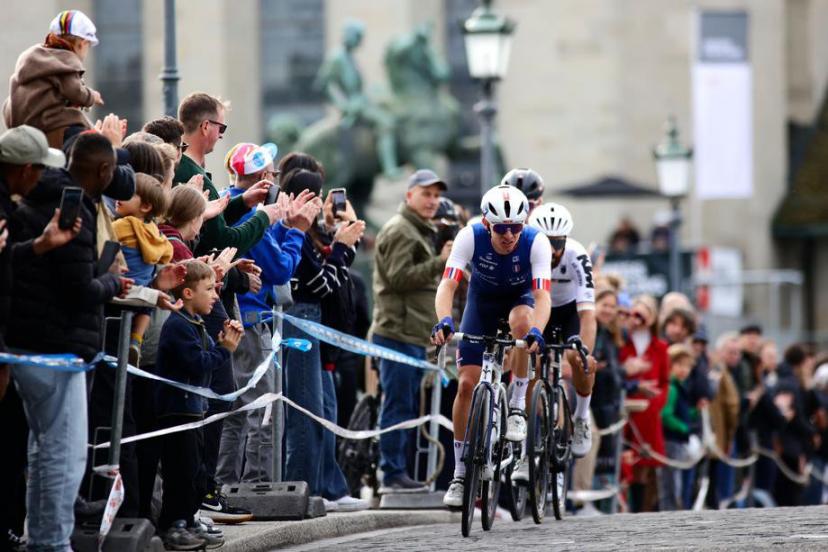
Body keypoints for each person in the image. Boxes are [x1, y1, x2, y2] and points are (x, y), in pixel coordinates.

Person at [8, 131, 130, 551]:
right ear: (105, 170)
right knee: (63, 457)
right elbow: (79, 288)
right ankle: (52, 543)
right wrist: (113, 281)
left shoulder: (30, 204)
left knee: (44, 453)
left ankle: (41, 539)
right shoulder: (71, 210)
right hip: (56, 350)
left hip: (30, 345)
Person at [431, 183, 552, 507]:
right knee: (467, 386)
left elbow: (542, 296)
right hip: (481, 304)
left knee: (523, 324)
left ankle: (515, 403)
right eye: (502, 229)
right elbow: (448, 284)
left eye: (515, 228)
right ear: (487, 223)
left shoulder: (535, 241)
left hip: (520, 301)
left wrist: (537, 331)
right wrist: (444, 320)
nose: (509, 235)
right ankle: (459, 474)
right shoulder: (470, 236)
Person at [216, 142, 316, 485]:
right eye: (271, 173)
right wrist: (297, 230)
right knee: (264, 411)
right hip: (251, 322)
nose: (274, 178)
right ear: (262, 176)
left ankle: (223, 484)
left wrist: (280, 223)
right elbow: (279, 269)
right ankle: (258, 486)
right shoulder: (249, 213)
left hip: (233, 318)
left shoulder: (230, 205)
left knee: (235, 411)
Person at [0, 125, 76, 550]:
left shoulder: (13, 208)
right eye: (39, 171)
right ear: (25, 169)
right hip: (9, 344)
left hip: (11, 343)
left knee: (17, 444)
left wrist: (41, 246)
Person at [280, 167, 369, 512]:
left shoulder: (311, 235)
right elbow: (320, 284)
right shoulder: (295, 234)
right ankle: (305, 489)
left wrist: (340, 239)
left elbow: (333, 277)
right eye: (316, 196)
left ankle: (327, 486)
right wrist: (342, 249)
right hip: (301, 320)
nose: (321, 205)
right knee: (306, 412)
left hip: (319, 327)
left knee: (324, 411)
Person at [155, 260, 243, 549]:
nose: (216, 295)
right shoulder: (178, 325)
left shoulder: (196, 323)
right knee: (179, 472)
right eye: (209, 288)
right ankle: (174, 524)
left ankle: (189, 519)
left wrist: (219, 344)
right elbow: (198, 365)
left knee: (193, 470)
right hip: (177, 412)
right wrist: (225, 349)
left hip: (193, 410)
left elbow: (203, 363)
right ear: (189, 293)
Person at [371, 169, 449, 493]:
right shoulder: (402, 230)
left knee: (403, 406)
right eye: (426, 194)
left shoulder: (417, 229)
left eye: (435, 195)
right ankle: (391, 475)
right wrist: (439, 262)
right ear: (409, 196)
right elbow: (398, 278)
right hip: (397, 333)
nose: (432, 201)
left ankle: (397, 473)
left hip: (410, 333)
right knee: (398, 407)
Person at [525, 201, 597, 459]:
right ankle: (528, 433)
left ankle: (581, 417)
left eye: (558, 243)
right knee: (529, 357)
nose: (553, 251)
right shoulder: (524, 252)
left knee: (578, 358)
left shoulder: (577, 255)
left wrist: (583, 351)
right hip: (537, 311)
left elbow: (588, 314)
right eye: (546, 243)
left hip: (569, 313)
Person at [173, 92, 280, 256]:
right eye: (221, 128)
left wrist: (244, 202)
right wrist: (263, 217)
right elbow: (221, 242)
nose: (221, 135)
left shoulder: (185, 167)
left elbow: (209, 224)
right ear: (206, 126)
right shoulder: (190, 173)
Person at [3, 10, 104, 147]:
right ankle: (96, 135)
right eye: (88, 46)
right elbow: (75, 92)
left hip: (19, 121)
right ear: (82, 44)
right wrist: (92, 96)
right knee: (76, 118)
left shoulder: (35, 57)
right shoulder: (66, 63)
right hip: (45, 123)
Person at [315, 20, 401, 178]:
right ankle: (389, 168)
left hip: (362, 102)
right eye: (357, 36)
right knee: (386, 123)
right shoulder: (337, 57)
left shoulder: (350, 58)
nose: (359, 41)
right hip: (355, 107)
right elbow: (325, 84)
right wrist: (344, 105)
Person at [113, 173, 173, 365]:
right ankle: (136, 340)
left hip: (123, 289)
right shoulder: (155, 232)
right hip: (146, 291)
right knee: (146, 310)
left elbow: (106, 238)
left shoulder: (122, 224)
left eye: (128, 194)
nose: (119, 195)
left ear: (146, 206)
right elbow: (167, 253)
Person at [618, 294, 669, 512]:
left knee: (644, 465)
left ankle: (639, 509)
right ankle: (622, 505)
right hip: (623, 407)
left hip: (648, 410)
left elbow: (666, 381)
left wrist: (656, 404)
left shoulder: (660, 346)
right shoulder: (622, 340)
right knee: (623, 461)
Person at [660, 343, 697, 511]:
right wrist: (683, 427)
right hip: (672, 440)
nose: (684, 369)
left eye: (687, 366)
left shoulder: (680, 387)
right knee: (672, 482)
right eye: (679, 365)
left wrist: (694, 412)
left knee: (676, 480)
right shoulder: (672, 388)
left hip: (677, 441)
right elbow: (666, 414)